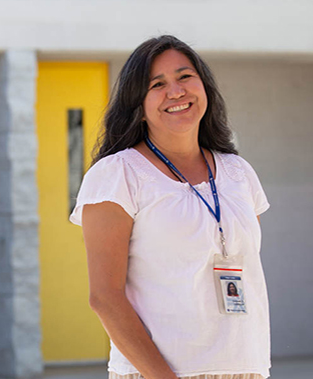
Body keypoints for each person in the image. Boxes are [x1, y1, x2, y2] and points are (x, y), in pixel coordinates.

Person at [69, 35, 271, 379]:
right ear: (139, 105)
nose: (175, 91)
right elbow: (105, 297)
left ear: (204, 86)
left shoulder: (238, 172)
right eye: (157, 84)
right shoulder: (118, 174)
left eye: (185, 77)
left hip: (246, 368)